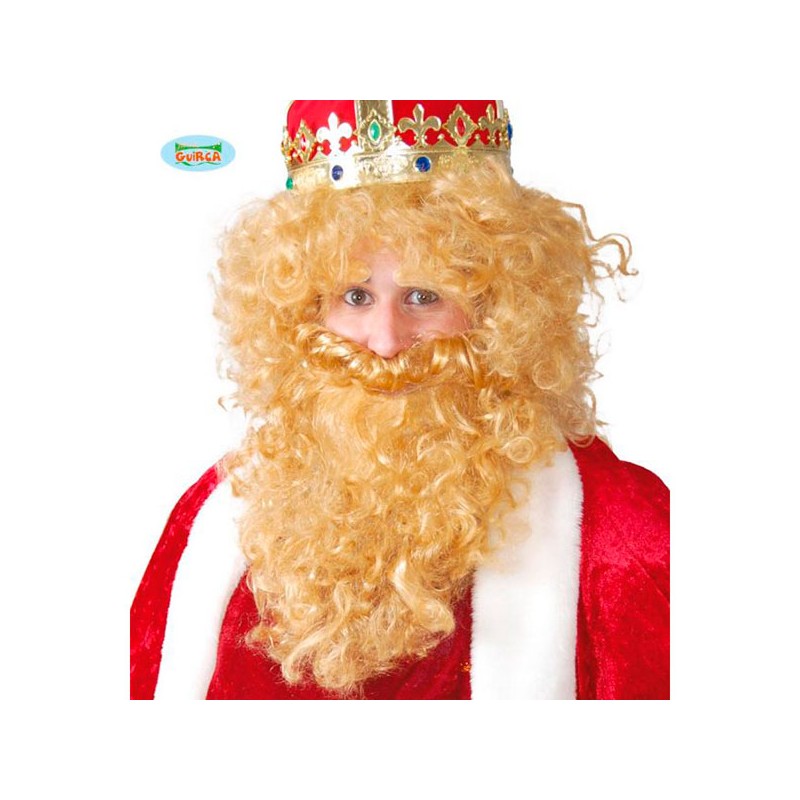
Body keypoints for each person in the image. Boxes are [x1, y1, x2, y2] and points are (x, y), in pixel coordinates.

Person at [130, 100, 669, 700]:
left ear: (495, 310)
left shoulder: (626, 536)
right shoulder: (215, 519)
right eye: (356, 297)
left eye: (423, 296)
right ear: (304, 311)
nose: (386, 343)